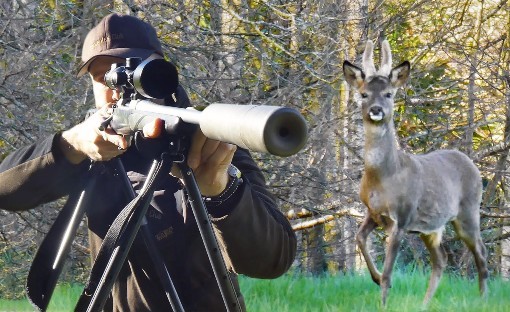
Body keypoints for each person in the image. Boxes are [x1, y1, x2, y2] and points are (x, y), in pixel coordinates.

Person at [0, 13, 297, 311]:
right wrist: (71, 146)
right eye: (102, 77)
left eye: (132, 69)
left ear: (157, 72)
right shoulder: (90, 148)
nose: (115, 87)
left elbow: (273, 260)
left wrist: (220, 192)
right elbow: (5, 189)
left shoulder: (208, 139)